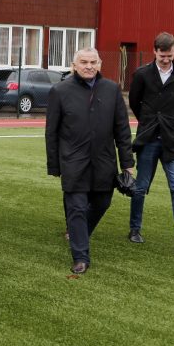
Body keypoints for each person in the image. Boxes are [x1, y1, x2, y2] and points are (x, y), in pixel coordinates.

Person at [45, 47, 134, 274]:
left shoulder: (112, 90)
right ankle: (80, 256)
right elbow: (51, 132)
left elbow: (122, 129)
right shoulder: (60, 91)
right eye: (84, 62)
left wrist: (127, 163)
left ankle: (77, 232)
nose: (89, 66)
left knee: (103, 203)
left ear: (100, 65)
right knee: (75, 208)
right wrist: (54, 165)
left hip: (104, 161)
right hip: (73, 162)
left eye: (93, 62)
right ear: (74, 65)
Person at [127, 32, 174, 253]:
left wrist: (166, 122)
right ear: (155, 52)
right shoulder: (141, 74)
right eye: (162, 55)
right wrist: (150, 121)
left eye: (169, 55)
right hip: (149, 138)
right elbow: (134, 101)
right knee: (140, 188)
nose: (166, 59)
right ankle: (134, 229)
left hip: (173, 140)